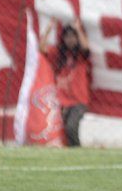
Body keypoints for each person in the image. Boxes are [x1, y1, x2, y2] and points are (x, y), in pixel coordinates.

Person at [39, 19, 91, 147]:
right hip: (61, 101)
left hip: (78, 101)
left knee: (71, 127)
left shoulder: (80, 56)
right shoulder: (60, 54)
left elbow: (86, 48)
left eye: (73, 37)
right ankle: (70, 153)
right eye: (67, 37)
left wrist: (78, 29)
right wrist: (48, 29)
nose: (70, 40)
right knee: (60, 130)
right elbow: (41, 49)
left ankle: (77, 152)